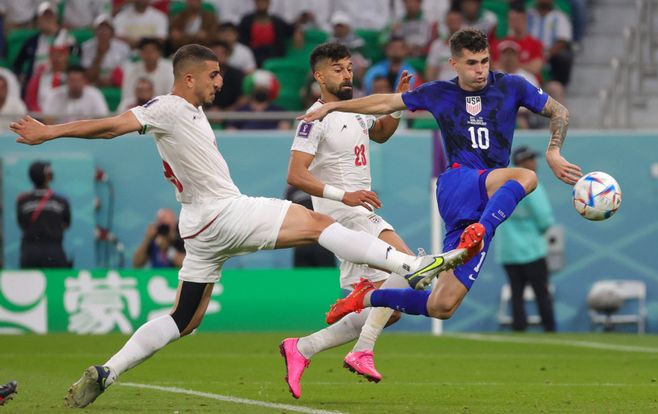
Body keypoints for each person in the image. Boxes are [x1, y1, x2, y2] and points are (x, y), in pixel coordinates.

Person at [11, 43, 471, 408]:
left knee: (184, 318)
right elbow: (112, 125)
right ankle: (412, 264)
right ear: (188, 77)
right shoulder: (168, 107)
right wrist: (50, 132)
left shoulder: (189, 114)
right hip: (223, 211)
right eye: (212, 75)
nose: (219, 82)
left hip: (199, 228)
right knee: (313, 221)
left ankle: (107, 371)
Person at [299, 28, 581, 327]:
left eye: (485, 61)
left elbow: (559, 111)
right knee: (526, 176)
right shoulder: (440, 93)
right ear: (454, 64)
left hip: (486, 198)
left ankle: (365, 298)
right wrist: (333, 107)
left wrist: (554, 151)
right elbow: (384, 103)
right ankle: (481, 231)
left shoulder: (512, 86)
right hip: (459, 183)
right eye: (472, 63)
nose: (480, 69)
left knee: (442, 305)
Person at [280, 42, 415, 398]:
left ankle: (303, 348)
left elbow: (381, 133)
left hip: (360, 211)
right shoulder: (315, 118)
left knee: (393, 306)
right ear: (319, 76)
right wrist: (345, 195)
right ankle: (361, 349)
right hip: (342, 214)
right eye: (338, 69)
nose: (347, 75)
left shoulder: (354, 110)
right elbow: (296, 174)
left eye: (350, 68)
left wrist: (398, 105)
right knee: (411, 267)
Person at [496, 146, 556, 332]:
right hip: (532, 250)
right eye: (531, 159)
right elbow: (545, 218)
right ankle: (549, 329)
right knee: (541, 293)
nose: (535, 162)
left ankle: (519, 330)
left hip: (508, 251)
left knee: (516, 294)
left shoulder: (503, 186)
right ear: (523, 163)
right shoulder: (532, 186)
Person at [16, 161, 72, 268]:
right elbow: (66, 224)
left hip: (30, 253)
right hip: (54, 252)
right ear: (48, 177)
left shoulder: (22, 201)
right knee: (57, 284)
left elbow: (22, 224)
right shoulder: (61, 201)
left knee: (29, 284)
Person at [43, 65, 110, 122]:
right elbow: (47, 120)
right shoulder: (55, 94)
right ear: (67, 81)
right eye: (72, 80)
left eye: (79, 80)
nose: (75, 84)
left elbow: (104, 119)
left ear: (84, 81)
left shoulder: (95, 94)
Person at [81, 14, 131, 88]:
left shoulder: (123, 48)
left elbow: (126, 73)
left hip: (116, 85)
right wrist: (100, 54)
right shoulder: (86, 47)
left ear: (112, 32)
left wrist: (112, 81)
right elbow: (88, 76)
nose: (103, 32)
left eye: (106, 29)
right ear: (94, 32)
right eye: (100, 28)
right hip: (94, 85)